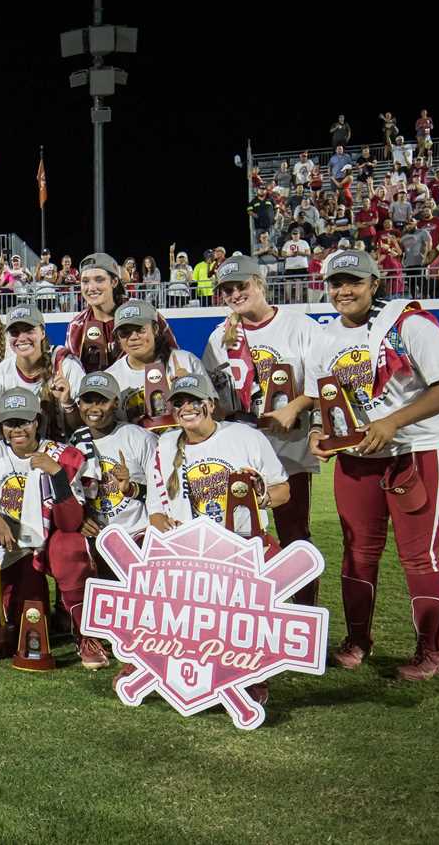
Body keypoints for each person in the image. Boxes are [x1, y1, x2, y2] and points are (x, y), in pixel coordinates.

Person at [305, 249, 439, 681]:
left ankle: (432, 651)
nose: (344, 291)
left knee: (419, 557)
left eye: (354, 281)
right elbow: (325, 402)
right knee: (357, 554)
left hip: (415, 452)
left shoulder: (407, 323)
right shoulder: (324, 336)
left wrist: (393, 421)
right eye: (336, 283)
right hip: (357, 460)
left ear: (375, 283)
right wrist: (319, 435)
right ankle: (358, 641)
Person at [143, 372, 290, 703]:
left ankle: (251, 673)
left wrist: (261, 498)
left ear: (210, 404)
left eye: (193, 401)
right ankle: (155, 661)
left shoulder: (244, 437)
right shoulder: (165, 445)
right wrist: (169, 536)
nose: (186, 408)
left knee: (262, 587)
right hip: (191, 550)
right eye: (178, 403)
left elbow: (283, 491)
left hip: (242, 546)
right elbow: (154, 512)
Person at [200, 256, 322, 605]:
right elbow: (214, 398)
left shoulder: (300, 327)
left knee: (294, 534)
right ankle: (251, 614)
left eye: (242, 285)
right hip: (238, 452)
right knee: (239, 536)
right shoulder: (219, 337)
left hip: (288, 449)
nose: (236, 294)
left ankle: (303, 613)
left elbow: (326, 384)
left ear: (260, 283)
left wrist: (296, 407)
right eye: (228, 289)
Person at [0, 388, 104, 667]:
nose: (17, 429)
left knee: (69, 545)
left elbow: (70, 522)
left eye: (24, 421)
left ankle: (87, 635)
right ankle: (60, 614)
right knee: (25, 626)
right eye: (10, 423)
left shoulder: (60, 454)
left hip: (50, 542)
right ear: (1, 426)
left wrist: (58, 474)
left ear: (37, 421)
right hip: (16, 548)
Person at [67, 371, 156, 547]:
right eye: (87, 400)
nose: (94, 408)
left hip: (139, 535)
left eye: (102, 401)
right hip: (98, 540)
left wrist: (131, 488)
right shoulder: (74, 443)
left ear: (116, 403)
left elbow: (162, 495)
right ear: (79, 403)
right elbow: (71, 496)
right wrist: (80, 518)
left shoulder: (139, 438)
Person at [0, 304, 84, 442]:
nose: (22, 338)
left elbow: (83, 427)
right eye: (15, 332)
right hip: (18, 452)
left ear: (42, 332)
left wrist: (68, 403)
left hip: (64, 450)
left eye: (29, 330)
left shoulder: (65, 365)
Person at [105, 299, 205, 424]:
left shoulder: (185, 361)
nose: (133, 337)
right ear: (118, 339)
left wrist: (192, 392)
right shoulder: (111, 377)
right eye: (125, 333)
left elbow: (216, 414)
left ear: (155, 329)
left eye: (140, 329)